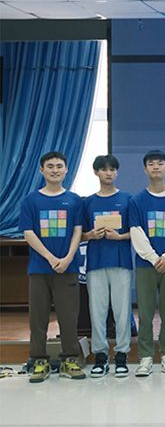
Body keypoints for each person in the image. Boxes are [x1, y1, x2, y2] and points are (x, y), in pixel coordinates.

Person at [20, 151, 85, 383]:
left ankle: (70, 359)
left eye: (59, 166)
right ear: (42, 170)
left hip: (68, 268)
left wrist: (67, 258)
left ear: (66, 169)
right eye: (50, 166)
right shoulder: (30, 200)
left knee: (69, 317)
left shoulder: (75, 200)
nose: (55, 170)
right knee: (37, 318)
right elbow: (28, 233)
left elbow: (78, 231)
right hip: (39, 268)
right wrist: (50, 258)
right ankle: (39, 360)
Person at [129, 150, 165, 377]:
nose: (156, 167)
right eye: (151, 164)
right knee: (145, 314)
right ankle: (145, 358)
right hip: (146, 265)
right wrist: (154, 258)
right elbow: (136, 232)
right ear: (145, 169)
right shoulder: (137, 200)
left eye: (160, 163)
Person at [81, 154, 133, 378]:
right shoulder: (87, 202)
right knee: (97, 312)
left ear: (117, 172)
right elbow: (79, 234)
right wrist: (90, 235)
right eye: (104, 169)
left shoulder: (128, 199)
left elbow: (136, 232)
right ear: (96, 172)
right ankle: (100, 356)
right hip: (96, 263)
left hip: (121, 262)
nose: (108, 173)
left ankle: (122, 354)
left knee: (122, 312)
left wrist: (119, 237)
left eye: (112, 169)